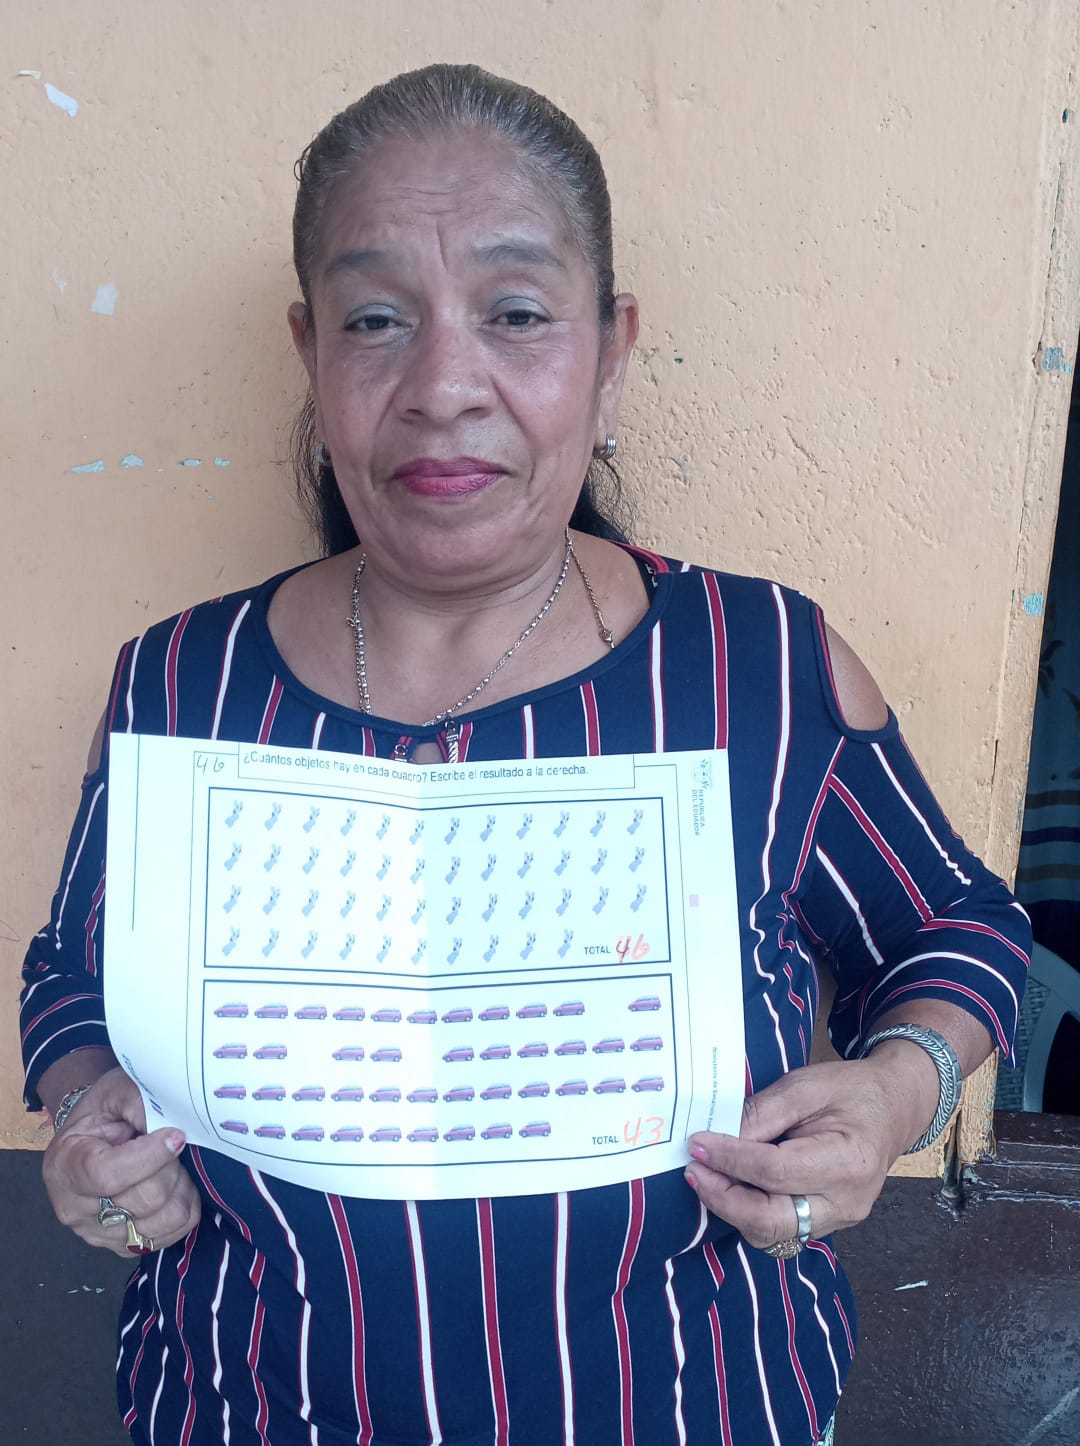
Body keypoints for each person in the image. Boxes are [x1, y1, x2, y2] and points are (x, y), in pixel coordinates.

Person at [21, 64, 1029, 1446]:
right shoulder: (181, 683)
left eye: (515, 313)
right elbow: (70, 973)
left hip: (690, 1408)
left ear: (611, 354)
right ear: (311, 353)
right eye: (377, 320)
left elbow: (959, 925)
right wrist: (86, 1117)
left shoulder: (758, 668)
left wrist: (900, 1086)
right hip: (244, 1403)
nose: (444, 387)